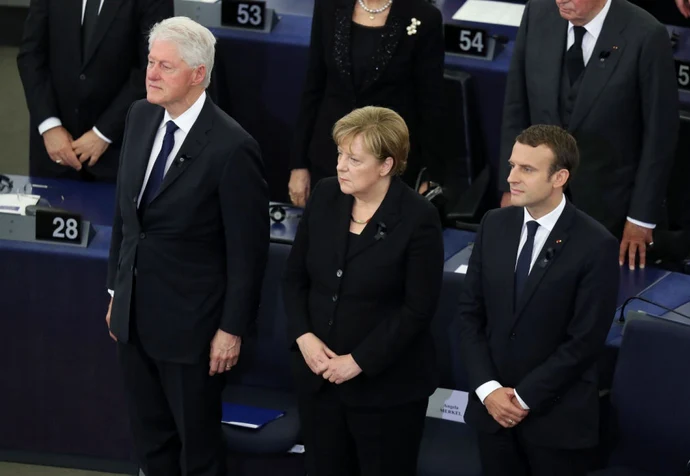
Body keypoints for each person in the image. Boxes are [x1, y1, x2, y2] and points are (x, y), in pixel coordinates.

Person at [105, 17, 269, 476]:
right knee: (150, 443)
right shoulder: (139, 115)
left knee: (197, 452)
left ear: (198, 74)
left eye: (165, 66)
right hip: (134, 319)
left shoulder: (233, 148)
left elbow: (247, 253)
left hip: (192, 331)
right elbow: (126, 216)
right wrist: (116, 293)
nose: (151, 74)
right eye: (151, 63)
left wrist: (231, 329)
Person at [283, 106, 444, 476]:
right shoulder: (325, 195)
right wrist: (304, 337)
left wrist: (357, 361)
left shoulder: (419, 218)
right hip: (319, 381)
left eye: (354, 159)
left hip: (387, 391)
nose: (340, 165)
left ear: (386, 166)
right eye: (340, 154)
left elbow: (417, 309)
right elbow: (293, 278)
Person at [458, 125, 620, 476]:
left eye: (527, 169)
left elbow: (584, 341)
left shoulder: (596, 245)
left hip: (555, 422)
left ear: (559, 177)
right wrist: (489, 391)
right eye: (513, 165)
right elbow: (470, 315)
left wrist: (523, 398)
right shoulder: (493, 223)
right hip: (492, 414)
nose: (512, 177)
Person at [498, 0, 679, 270]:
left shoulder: (646, 35)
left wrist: (641, 218)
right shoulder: (538, 12)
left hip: (609, 213)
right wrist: (511, 185)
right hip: (539, 200)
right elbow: (516, 107)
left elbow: (659, 135)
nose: (561, 0)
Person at [288, 0, 445, 207]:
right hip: (330, 161)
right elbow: (313, 88)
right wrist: (298, 164)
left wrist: (430, 176)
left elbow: (431, 104)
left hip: (387, 166)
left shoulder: (423, 16)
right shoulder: (329, 6)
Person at [17, 0, 173, 181]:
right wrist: (49, 126)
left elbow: (152, 69)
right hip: (55, 148)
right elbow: (31, 56)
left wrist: (103, 133)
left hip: (117, 151)